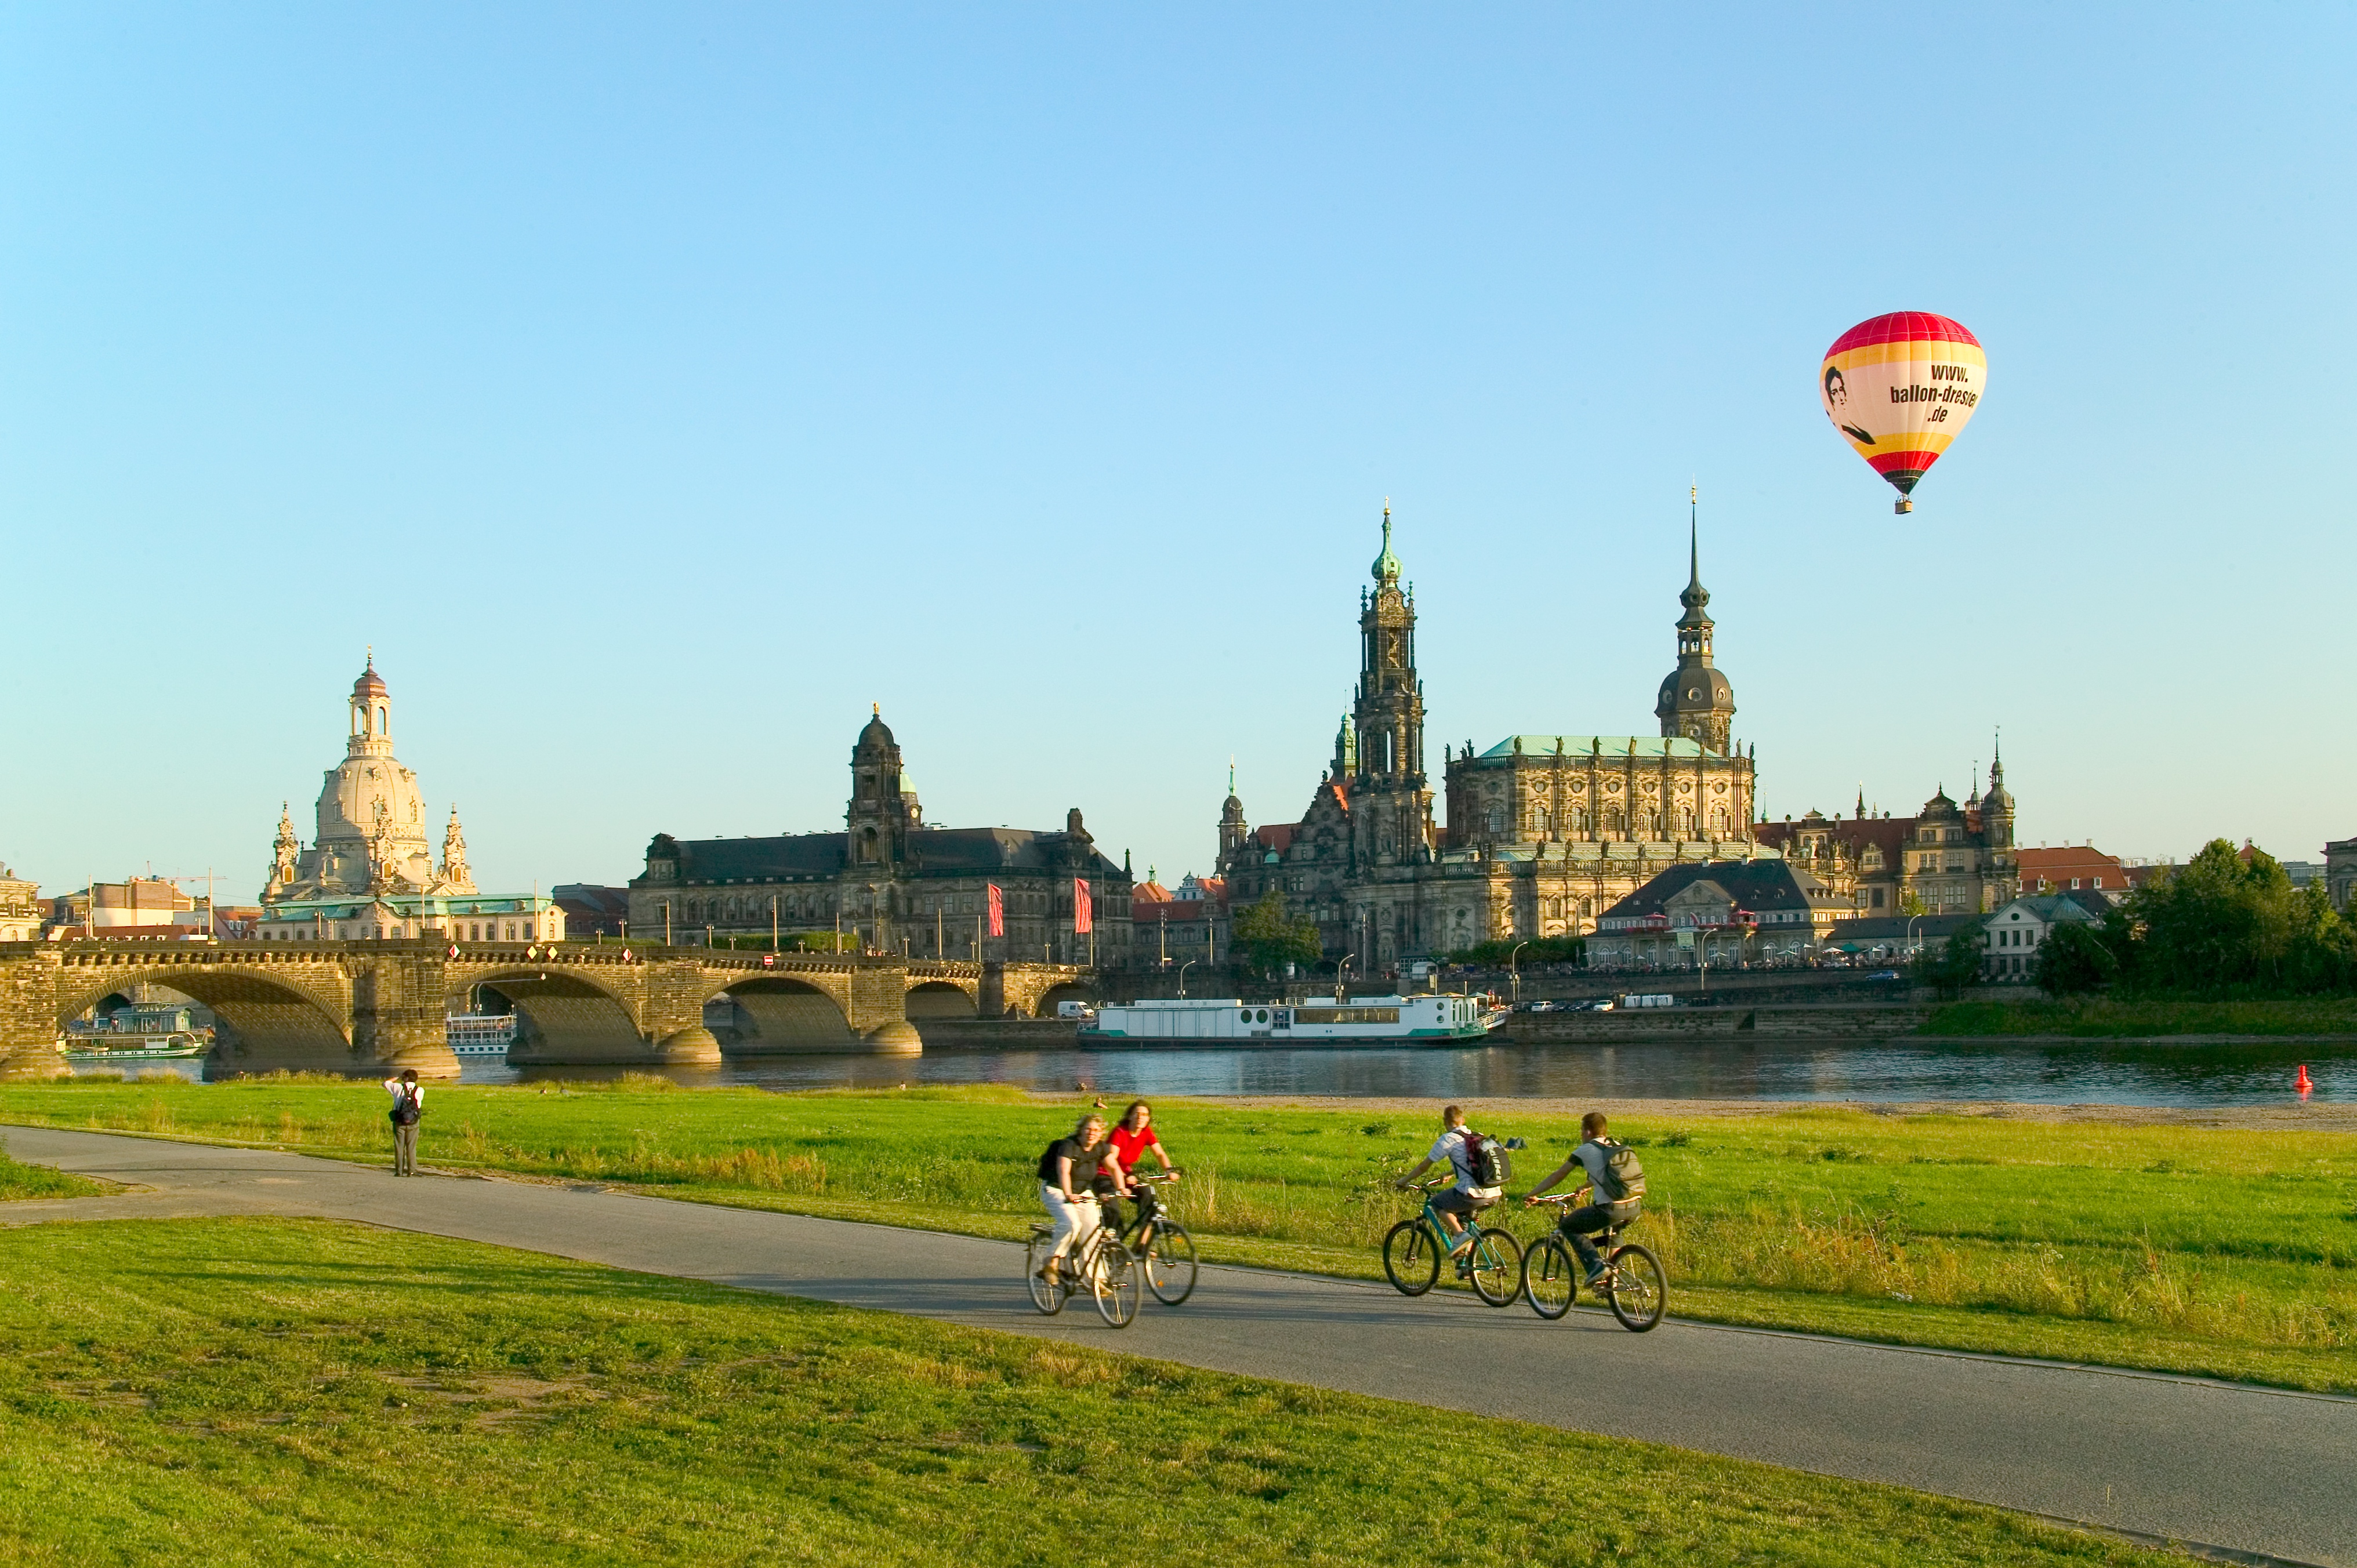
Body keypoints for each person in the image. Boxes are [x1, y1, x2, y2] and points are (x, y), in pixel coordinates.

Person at [1521, 1110, 1644, 1284]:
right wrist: (1584, 1187)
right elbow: (1609, 1173)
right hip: (1634, 1206)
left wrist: (1532, 1194)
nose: (1581, 1135)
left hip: (1610, 1209)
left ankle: (1596, 1267)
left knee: (1568, 1226)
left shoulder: (1586, 1150)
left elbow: (1559, 1175)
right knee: (1614, 1234)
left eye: (1581, 1131)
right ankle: (1611, 1284)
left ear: (1587, 1132)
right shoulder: (1615, 1145)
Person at [1393, 1104, 1500, 1262]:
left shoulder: (1448, 1139)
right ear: (1463, 1120)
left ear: (1445, 1122)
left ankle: (1460, 1236)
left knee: (1438, 1204)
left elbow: (1424, 1166)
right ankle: (1466, 1265)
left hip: (1472, 1194)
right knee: (1460, 1218)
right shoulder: (1478, 1136)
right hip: (1495, 1193)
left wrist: (1404, 1180)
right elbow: (1475, 1163)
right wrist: (1450, 1173)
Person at [1036, 1113, 1125, 1288]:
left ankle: (1095, 1281)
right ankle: (1051, 1262)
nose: (1091, 1133)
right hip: (1056, 1190)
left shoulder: (1100, 1147)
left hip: (1083, 1193)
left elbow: (1114, 1167)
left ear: (1101, 1133)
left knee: (1093, 1234)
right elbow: (1064, 1171)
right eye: (1088, 1129)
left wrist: (1122, 1188)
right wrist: (1069, 1194)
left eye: (1096, 1130)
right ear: (1080, 1130)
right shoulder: (1069, 1146)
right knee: (1072, 1225)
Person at [1098, 1099, 1176, 1239]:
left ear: (1148, 1119)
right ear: (1130, 1116)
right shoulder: (1120, 1132)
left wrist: (1169, 1170)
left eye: (1144, 1115)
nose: (1141, 1117)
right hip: (1105, 1173)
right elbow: (1112, 1161)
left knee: (1147, 1194)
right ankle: (1115, 1244)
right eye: (1137, 1114)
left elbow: (1159, 1153)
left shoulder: (1146, 1132)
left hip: (1126, 1173)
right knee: (1112, 1207)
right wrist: (1125, 1176)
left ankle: (1143, 1238)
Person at [383, 1068, 424, 1177]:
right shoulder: (420, 1090)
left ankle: (399, 1171)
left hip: (399, 1120)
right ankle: (412, 1170)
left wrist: (397, 1077)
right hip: (414, 1122)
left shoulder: (397, 1087)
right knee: (411, 1147)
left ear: (405, 1078)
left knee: (399, 1146)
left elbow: (386, 1083)